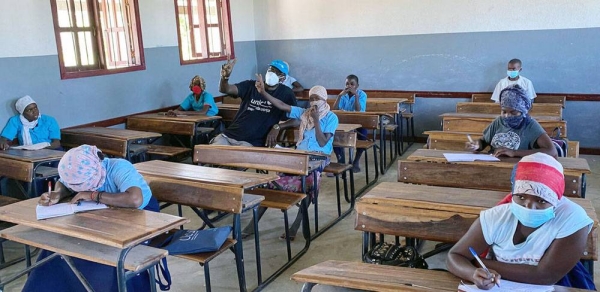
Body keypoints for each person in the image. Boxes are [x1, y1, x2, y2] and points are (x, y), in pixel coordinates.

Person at [447, 153, 595, 290]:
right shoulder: (497, 216)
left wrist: (479, 263)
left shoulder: (572, 219)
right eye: (521, 197)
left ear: (556, 199)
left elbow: (545, 276)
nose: (529, 206)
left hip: (556, 285)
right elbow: (455, 256)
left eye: (541, 200)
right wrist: (473, 273)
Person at [24, 145, 160, 292]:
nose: (78, 188)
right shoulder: (80, 171)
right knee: (57, 249)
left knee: (102, 254)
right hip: (104, 217)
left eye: (82, 186)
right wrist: (57, 193)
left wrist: (93, 196)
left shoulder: (119, 167)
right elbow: (63, 183)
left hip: (141, 216)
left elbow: (135, 200)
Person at [242, 83, 338, 240]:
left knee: (308, 184)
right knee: (274, 182)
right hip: (300, 155)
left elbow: (322, 142)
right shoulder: (304, 113)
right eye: (311, 98)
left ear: (324, 99)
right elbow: (282, 105)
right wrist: (263, 92)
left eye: (317, 98)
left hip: (319, 157)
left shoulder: (331, 117)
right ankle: (252, 225)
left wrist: (316, 121)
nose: (314, 102)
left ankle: (294, 227)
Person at [214, 57, 297, 147]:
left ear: (282, 78)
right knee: (209, 155)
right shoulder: (251, 85)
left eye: (277, 72)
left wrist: (277, 127)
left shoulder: (286, 93)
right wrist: (224, 77)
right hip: (228, 135)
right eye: (271, 70)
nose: (272, 74)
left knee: (231, 159)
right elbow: (225, 89)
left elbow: (297, 119)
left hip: (251, 142)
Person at [465, 85, 557, 158]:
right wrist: (477, 145)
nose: (507, 116)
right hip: (494, 165)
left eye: (513, 112)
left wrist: (514, 152)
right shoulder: (499, 121)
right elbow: (484, 141)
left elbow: (551, 151)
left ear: (522, 111)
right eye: (504, 111)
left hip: (519, 170)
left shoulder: (530, 125)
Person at [331, 74, 367, 172]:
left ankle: (356, 161)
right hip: (344, 121)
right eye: (347, 84)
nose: (349, 86)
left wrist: (356, 95)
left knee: (363, 134)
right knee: (333, 133)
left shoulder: (362, 94)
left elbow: (358, 110)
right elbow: (334, 110)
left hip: (359, 120)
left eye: (352, 84)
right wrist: (339, 96)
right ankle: (341, 160)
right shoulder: (343, 95)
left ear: (357, 86)